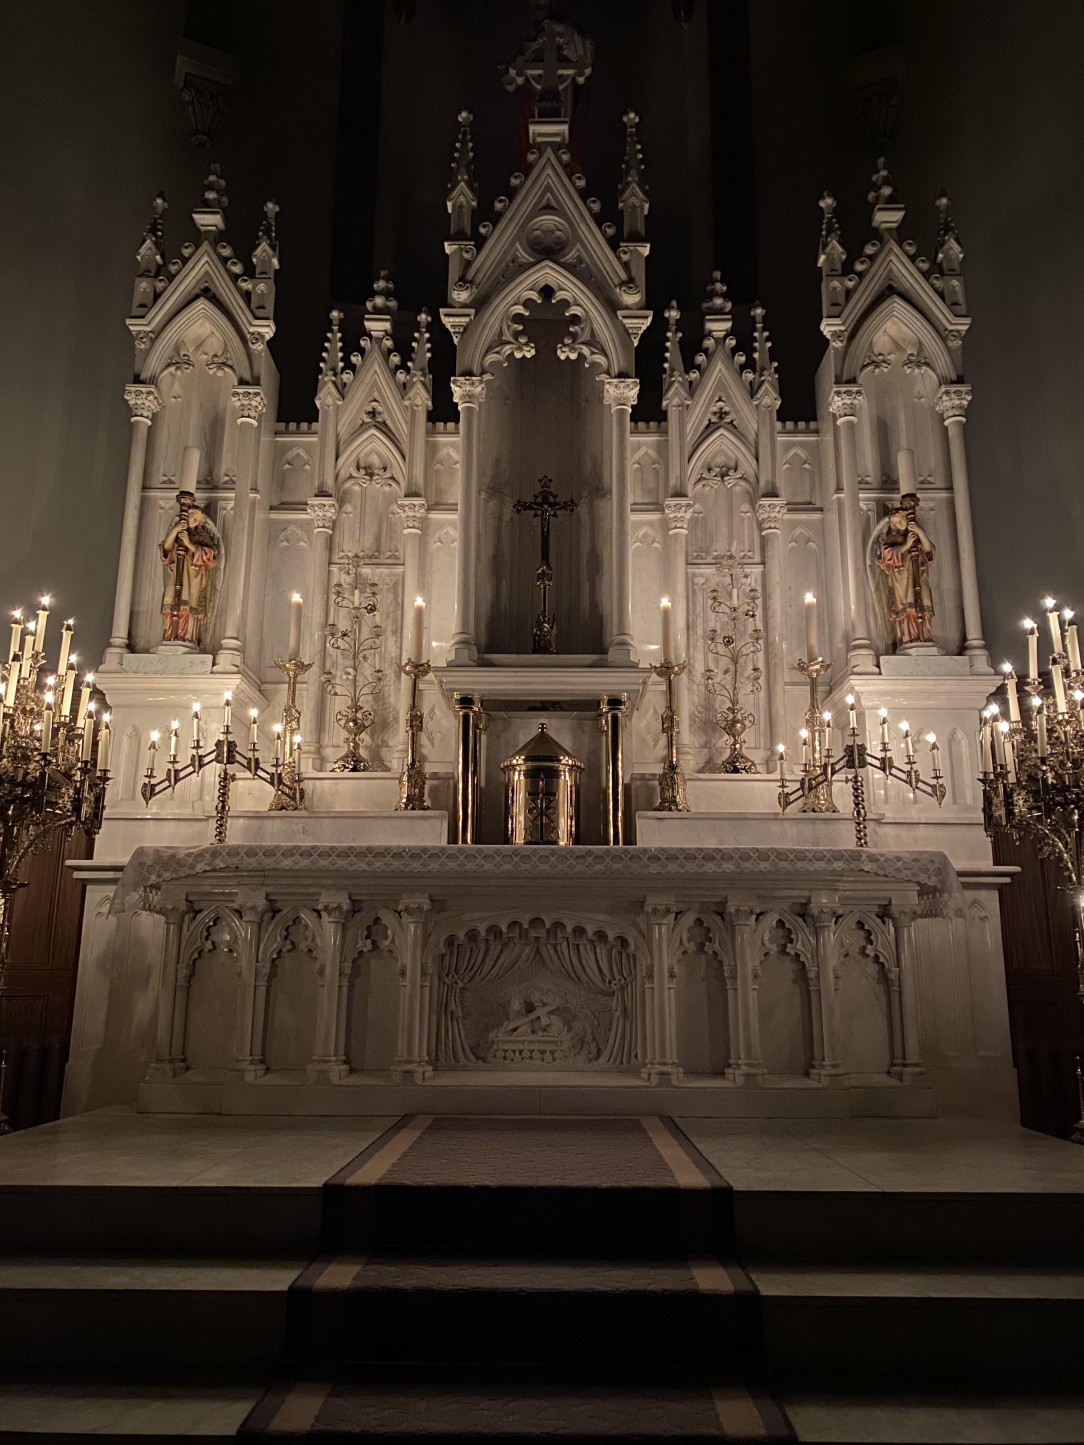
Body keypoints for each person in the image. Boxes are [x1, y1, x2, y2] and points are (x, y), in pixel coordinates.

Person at [867, 492, 935, 647]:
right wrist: (906, 546)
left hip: (919, 578)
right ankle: (908, 639)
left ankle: (924, 636)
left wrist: (919, 532)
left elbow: (928, 550)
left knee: (924, 607)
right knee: (907, 611)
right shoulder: (892, 540)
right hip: (901, 584)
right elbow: (887, 556)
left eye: (899, 522)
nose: (895, 526)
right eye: (893, 523)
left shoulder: (915, 537)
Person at [160, 491, 222, 646]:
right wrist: (175, 531)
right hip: (176, 574)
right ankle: (169, 634)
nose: (191, 521)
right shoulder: (178, 536)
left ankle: (186, 636)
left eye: (195, 519)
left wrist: (188, 544)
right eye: (189, 518)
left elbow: (210, 556)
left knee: (189, 606)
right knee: (171, 602)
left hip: (193, 577)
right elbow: (166, 549)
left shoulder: (202, 537)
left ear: (200, 522)